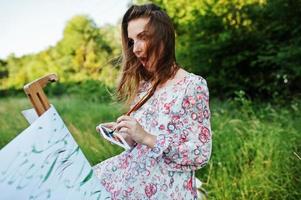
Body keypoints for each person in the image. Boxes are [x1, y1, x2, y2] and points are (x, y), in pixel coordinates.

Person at [93, 3, 212, 199]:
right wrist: (127, 135)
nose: (136, 49)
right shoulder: (144, 87)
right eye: (131, 41)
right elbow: (143, 146)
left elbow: (199, 154)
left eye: (143, 37)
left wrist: (147, 137)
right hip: (131, 185)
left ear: (164, 37)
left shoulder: (192, 85)